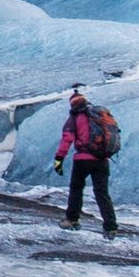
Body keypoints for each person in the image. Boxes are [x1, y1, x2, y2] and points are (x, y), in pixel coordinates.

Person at [52, 90, 121, 236]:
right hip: (102, 160)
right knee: (102, 193)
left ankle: (72, 220)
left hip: (82, 160)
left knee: (76, 189)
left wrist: (59, 159)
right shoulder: (99, 116)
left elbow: (67, 139)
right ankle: (110, 226)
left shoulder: (75, 117)